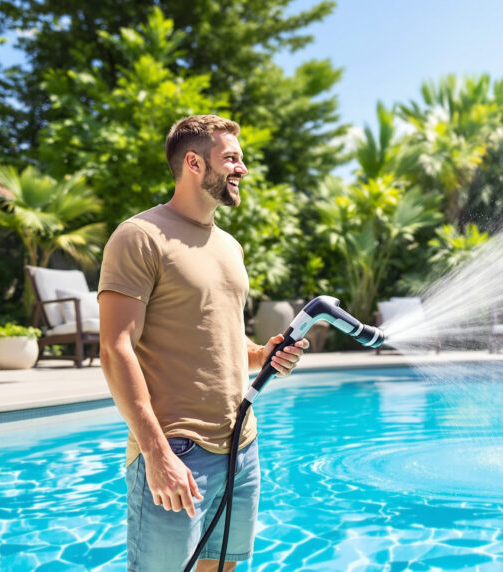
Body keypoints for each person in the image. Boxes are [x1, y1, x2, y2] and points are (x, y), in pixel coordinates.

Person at [98, 114, 308, 571]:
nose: (243, 169)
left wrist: (261, 354)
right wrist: (156, 453)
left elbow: (218, 333)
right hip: (176, 449)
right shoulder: (140, 237)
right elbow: (116, 348)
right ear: (193, 163)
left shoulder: (230, 246)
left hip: (241, 445)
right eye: (231, 158)